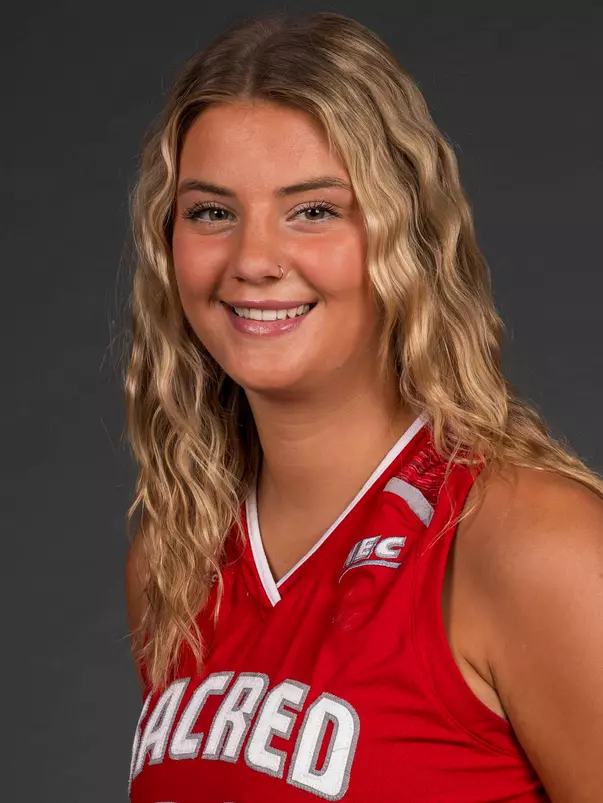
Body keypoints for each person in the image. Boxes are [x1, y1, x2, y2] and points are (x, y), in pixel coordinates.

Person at [123, 11, 603, 803]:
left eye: (312, 210)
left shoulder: (533, 547)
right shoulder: (173, 558)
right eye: (212, 212)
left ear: (401, 234)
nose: (253, 260)